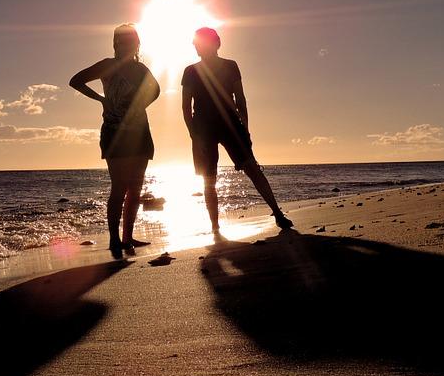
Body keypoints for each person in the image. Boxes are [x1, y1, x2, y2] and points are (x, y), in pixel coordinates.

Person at [181, 26, 293, 234]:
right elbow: (186, 106)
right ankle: (215, 227)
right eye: (195, 43)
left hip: (231, 124)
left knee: (252, 168)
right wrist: (193, 134)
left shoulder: (230, 66)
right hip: (203, 128)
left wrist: (245, 128)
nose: (196, 46)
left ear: (215, 43)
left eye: (199, 42)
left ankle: (277, 213)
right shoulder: (190, 71)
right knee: (209, 179)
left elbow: (240, 98)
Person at [70, 24, 160, 259]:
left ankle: (128, 237)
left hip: (139, 132)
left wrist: (140, 105)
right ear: (116, 43)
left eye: (132, 40)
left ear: (137, 43)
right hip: (114, 133)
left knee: (136, 188)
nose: (128, 44)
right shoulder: (106, 65)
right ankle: (114, 239)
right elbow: (76, 81)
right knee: (119, 186)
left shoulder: (141, 69)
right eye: (123, 40)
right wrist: (101, 99)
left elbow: (157, 90)